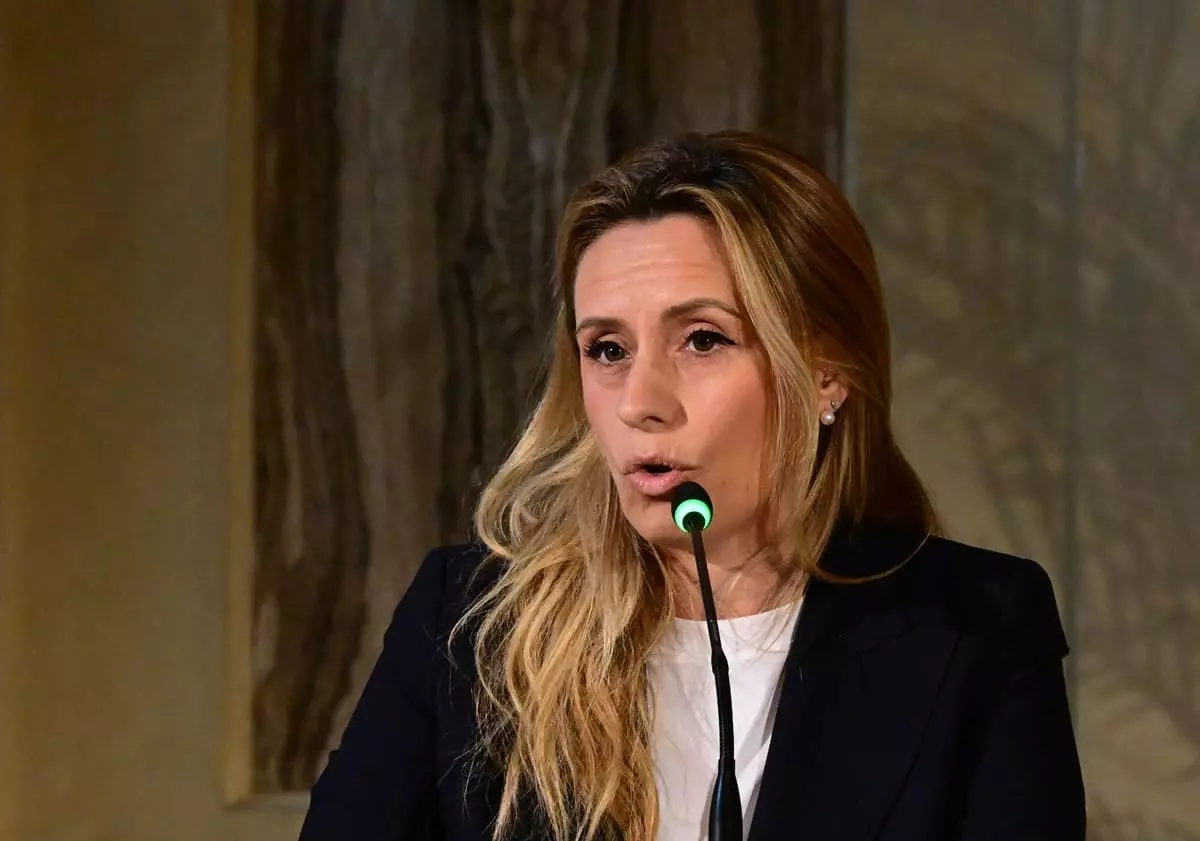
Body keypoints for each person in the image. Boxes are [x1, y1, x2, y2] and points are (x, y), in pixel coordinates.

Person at [296, 130, 1086, 841]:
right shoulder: (468, 623)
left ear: (825, 372)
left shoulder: (977, 626)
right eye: (607, 349)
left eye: (702, 340)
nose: (641, 402)